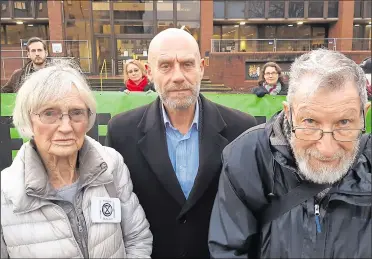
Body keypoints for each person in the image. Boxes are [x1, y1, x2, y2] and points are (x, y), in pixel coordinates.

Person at [106, 28, 257, 258]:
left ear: (201, 67)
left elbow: (251, 210)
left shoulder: (241, 128)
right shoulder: (121, 132)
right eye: (165, 65)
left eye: (187, 64)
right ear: (150, 71)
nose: (178, 76)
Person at [209, 49, 371, 258]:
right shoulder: (249, 156)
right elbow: (228, 250)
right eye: (310, 122)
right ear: (288, 113)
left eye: (344, 123)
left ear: (364, 113)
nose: (327, 148)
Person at [0, 60, 152, 258]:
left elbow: (137, 238)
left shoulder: (112, 165)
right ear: (28, 120)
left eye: (76, 113)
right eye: (49, 113)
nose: (65, 127)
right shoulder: (6, 193)